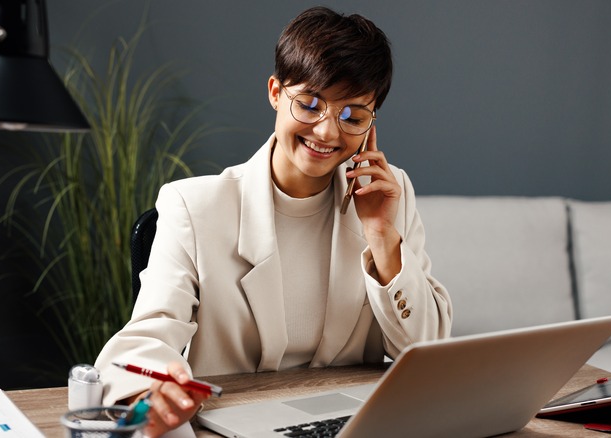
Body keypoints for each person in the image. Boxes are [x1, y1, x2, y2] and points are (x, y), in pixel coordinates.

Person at [95, 6, 452, 436]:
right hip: (235, 424)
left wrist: (380, 235)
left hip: (357, 424)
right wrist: (152, 390)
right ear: (275, 93)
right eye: (310, 104)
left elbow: (428, 351)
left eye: (352, 116)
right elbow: (145, 339)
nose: (327, 133)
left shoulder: (391, 195)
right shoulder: (194, 206)